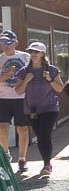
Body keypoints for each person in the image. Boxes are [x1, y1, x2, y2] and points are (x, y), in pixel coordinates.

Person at [14, 42, 65, 175]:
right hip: (32, 109)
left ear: (43, 54)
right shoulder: (24, 71)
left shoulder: (52, 69)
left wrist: (49, 79)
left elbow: (60, 88)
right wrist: (26, 80)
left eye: (36, 52)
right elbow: (18, 91)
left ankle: (47, 164)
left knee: (45, 135)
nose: (34, 54)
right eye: (31, 52)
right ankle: (46, 163)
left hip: (50, 107)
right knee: (40, 136)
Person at [0, 30, 32, 172]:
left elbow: (35, 74)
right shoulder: (0, 59)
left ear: (15, 42)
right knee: (2, 128)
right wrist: (5, 77)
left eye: (8, 42)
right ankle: (6, 154)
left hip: (22, 98)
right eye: (2, 42)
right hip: (3, 98)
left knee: (23, 128)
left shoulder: (26, 57)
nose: (5, 45)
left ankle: (22, 159)